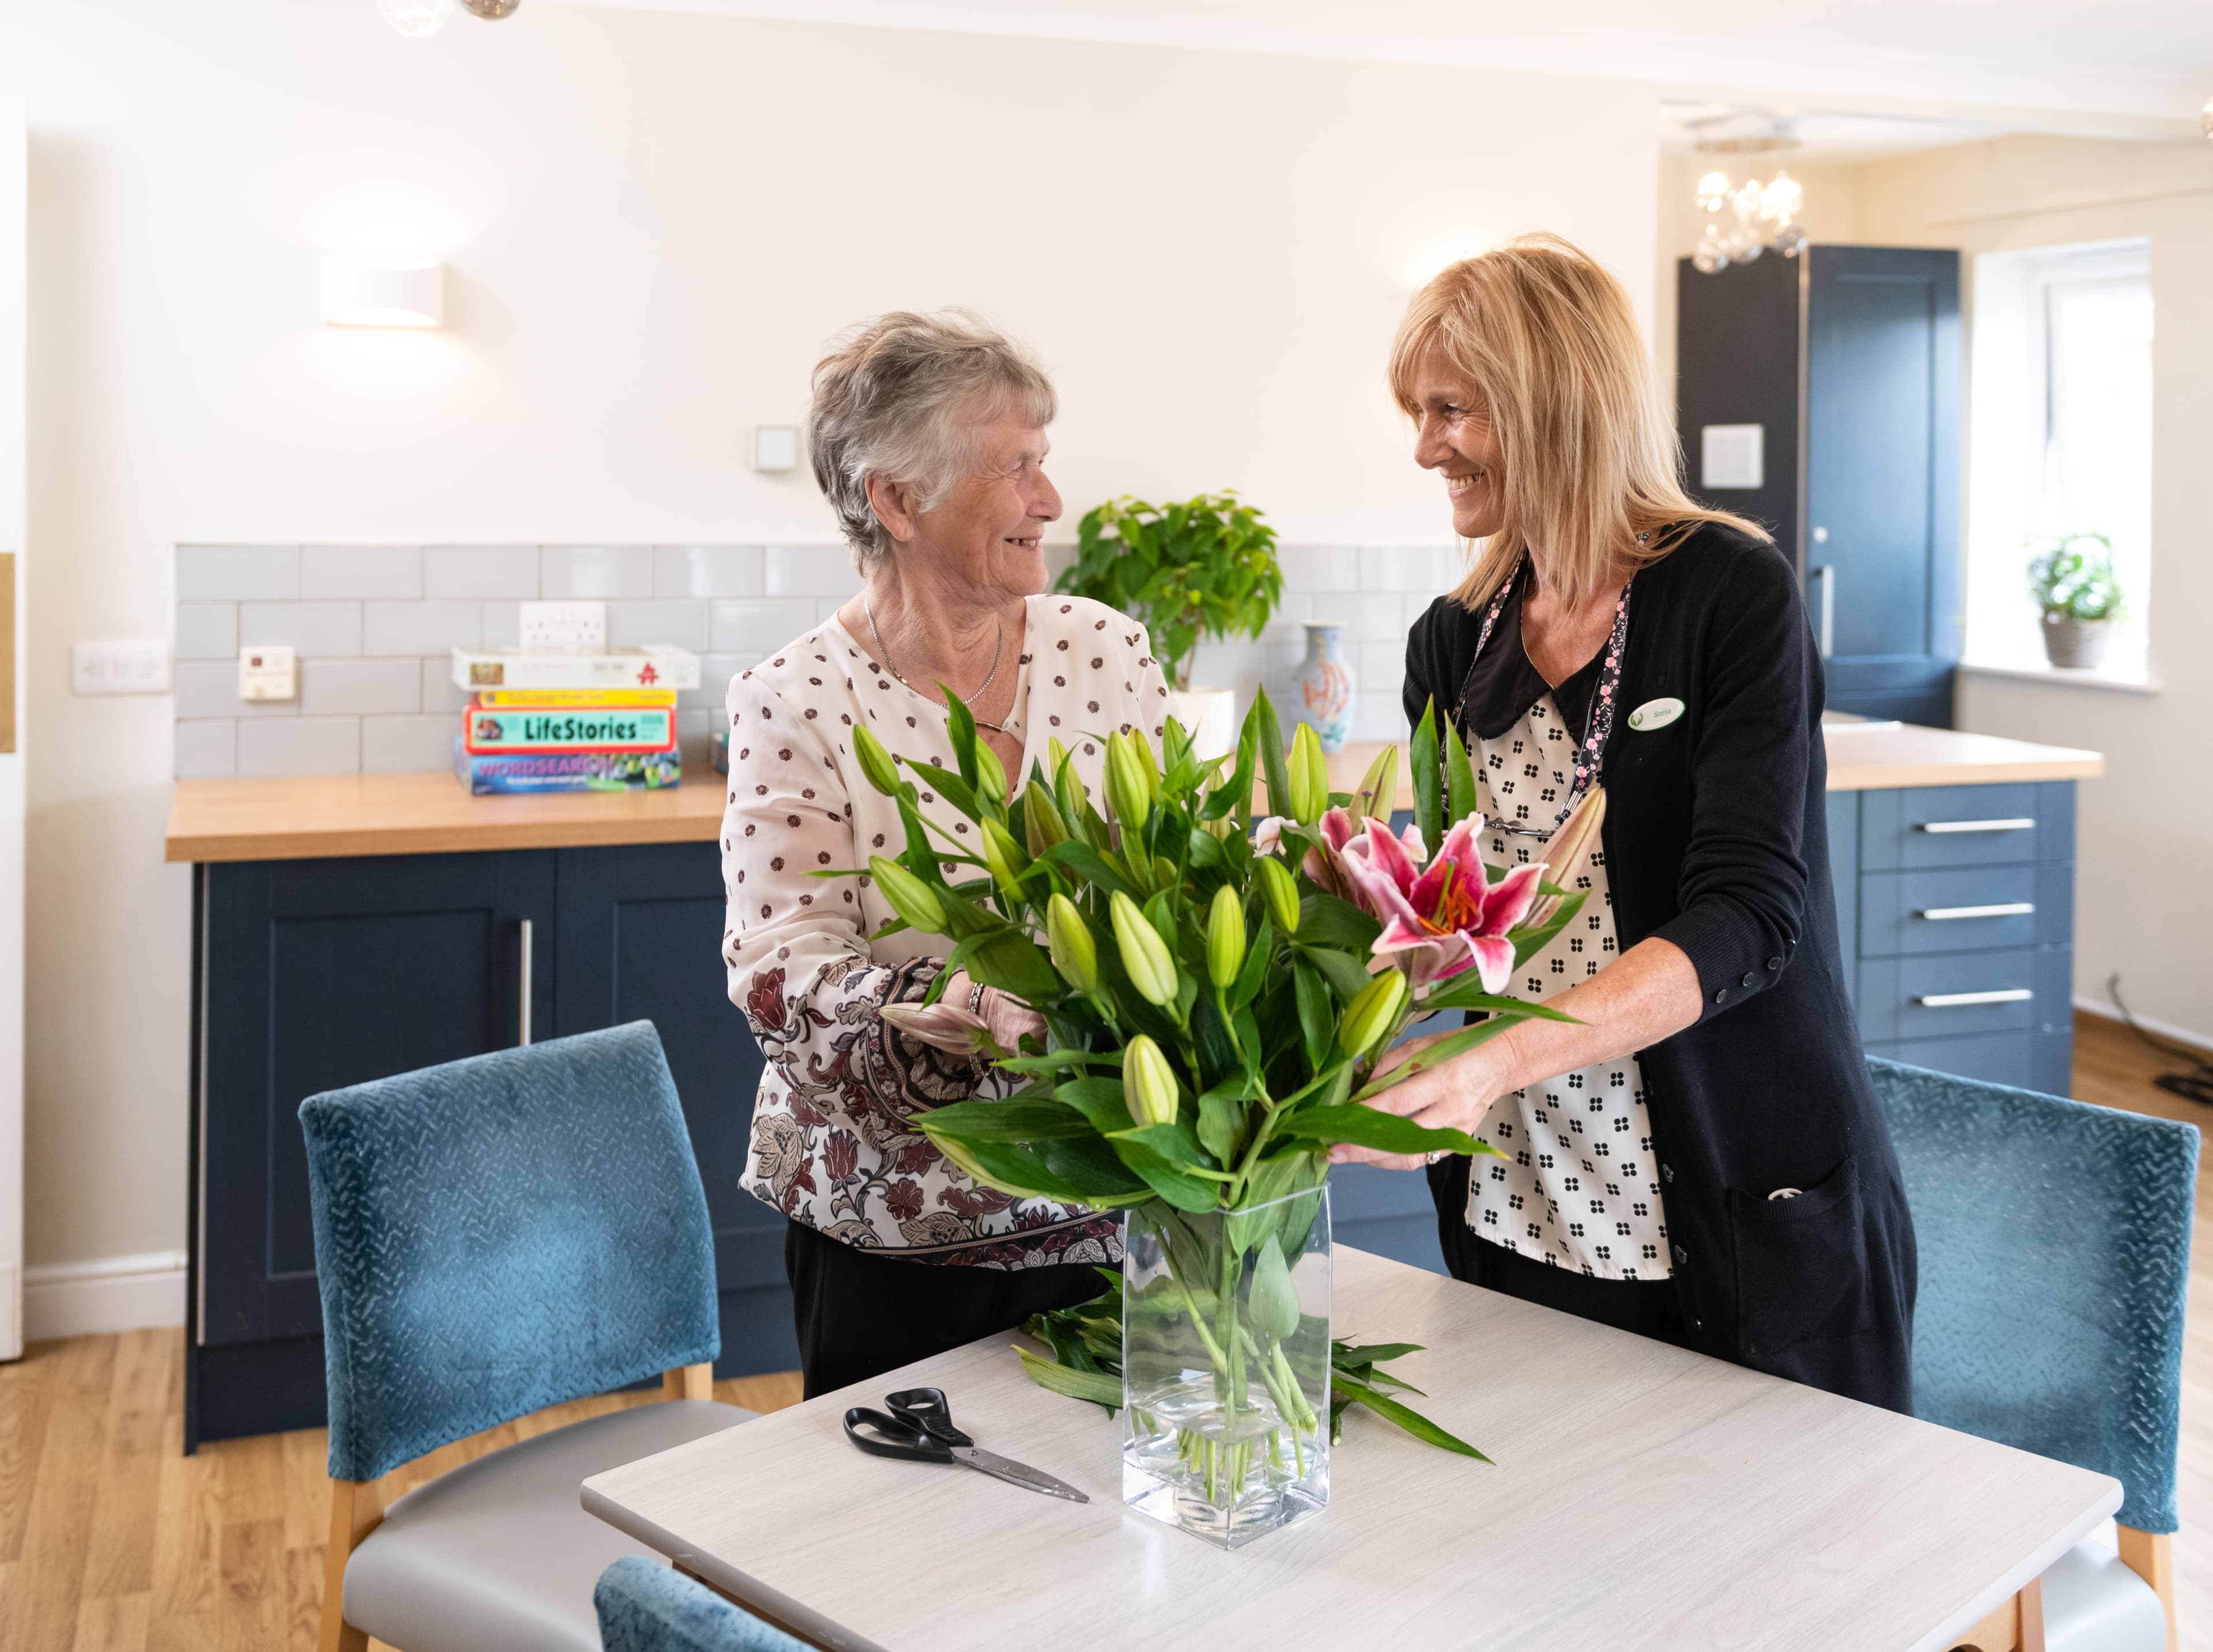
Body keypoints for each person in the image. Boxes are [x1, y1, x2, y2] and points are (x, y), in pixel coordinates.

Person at [1336, 235, 1916, 1412]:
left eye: (1455, 410)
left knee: (1765, 1566)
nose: (1425, 446)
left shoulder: (1728, 593)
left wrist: (1495, 1057)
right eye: (1420, 411)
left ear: (1552, 400)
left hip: (1733, 1194)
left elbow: (1752, 914)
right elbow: (1459, 918)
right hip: (1525, 1186)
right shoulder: (1455, 642)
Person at [719, 311, 1171, 1397]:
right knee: (896, 1550)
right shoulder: (793, 701)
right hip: (897, 1234)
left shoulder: (1104, 649)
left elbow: (1171, 875)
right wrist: (950, 1005)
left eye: (1043, 464)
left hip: (1111, 1202)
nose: (1050, 501)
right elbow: (780, 974)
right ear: (897, 499)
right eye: (1016, 469)